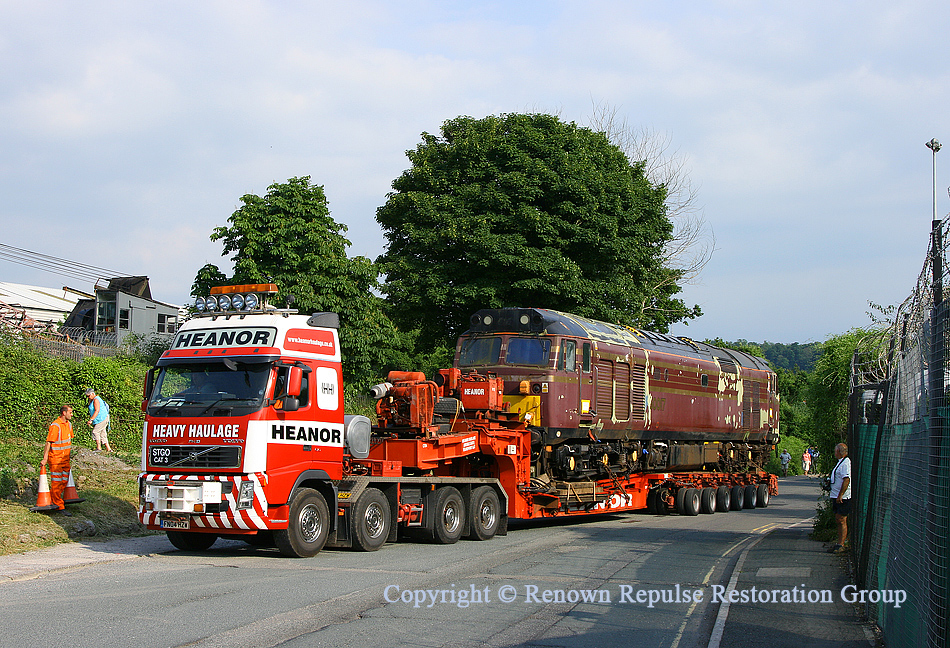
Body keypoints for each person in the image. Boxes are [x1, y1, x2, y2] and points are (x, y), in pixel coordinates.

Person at [40, 405, 73, 511]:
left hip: (65, 459)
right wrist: (45, 458)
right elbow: (48, 442)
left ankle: (53, 498)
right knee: (56, 482)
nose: (72, 414)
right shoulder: (56, 425)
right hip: (56, 459)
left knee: (64, 481)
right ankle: (59, 505)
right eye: (70, 412)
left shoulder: (69, 425)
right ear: (64, 413)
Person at [827, 442, 852, 554]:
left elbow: (846, 479)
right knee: (838, 519)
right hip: (836, 495)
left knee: (841, 519)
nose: (834, 453)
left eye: (835, 451)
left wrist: (841, 494)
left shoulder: (846, 463)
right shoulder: (840, 462)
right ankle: (839, 543)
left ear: (839, 452)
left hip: (843, 497)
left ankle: (842, 543)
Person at [84, 388, 112, 453]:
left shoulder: (96, 400)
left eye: (88, 396)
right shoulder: (93, 399)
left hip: (102, 418)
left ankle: (99, 448)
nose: (88, 397)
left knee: (95, 432)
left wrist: (91, 419)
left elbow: (97, 410)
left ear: (92, 394)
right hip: (101, 418)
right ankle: (109, 449)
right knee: (102, 433)